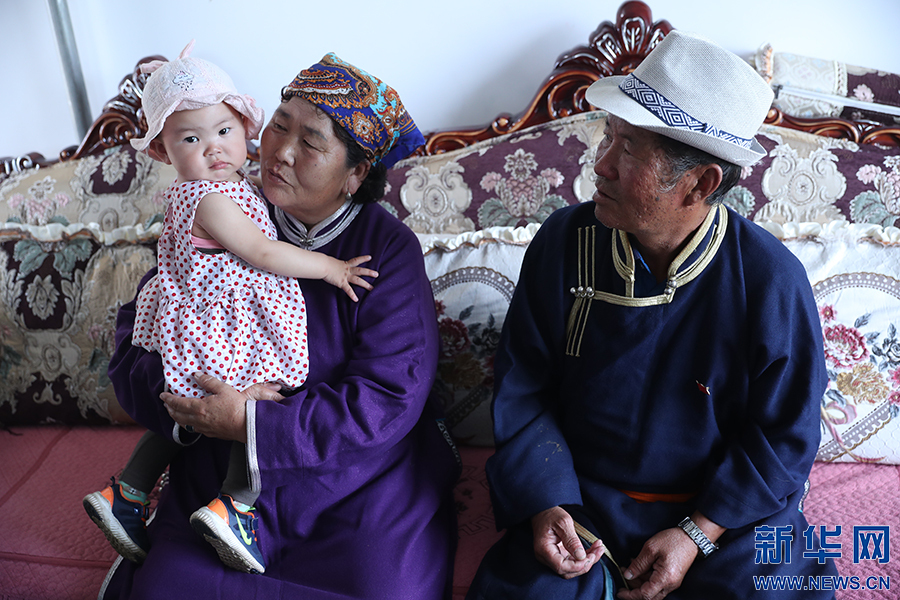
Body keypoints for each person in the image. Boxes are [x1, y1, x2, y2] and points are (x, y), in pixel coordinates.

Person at [466, 31, 839, 600]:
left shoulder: (770, 280)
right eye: (609, 136)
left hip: (721, 518)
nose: (602, 165)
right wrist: (546, 503)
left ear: (701, 183)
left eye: (631, 150)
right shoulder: (564, 243)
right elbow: (524, 389)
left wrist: (698, 533)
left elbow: (784, 437)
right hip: (584, 501)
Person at [100, 52, 460, 599]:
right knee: (168, 590)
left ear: (355, 173)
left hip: (355, 485)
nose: (280, 153)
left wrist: (252, 422)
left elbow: (389, 395)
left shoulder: (384, 249)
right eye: (277, 127)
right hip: (220, 482)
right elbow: (141, 340)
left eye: (311, 143)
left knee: (386, 588)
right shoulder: (223, 207)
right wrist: (194, 402)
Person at [83, 42, 378, 576]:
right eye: (191, 139)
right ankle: (236, 505)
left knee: (202, 411)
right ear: (162, 153)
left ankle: (127, 491)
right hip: (220, 328)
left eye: (224, 131)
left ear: (244, 127)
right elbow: (263, 253)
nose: (214, 148)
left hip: (202, 326)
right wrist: (331, 268)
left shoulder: (223, 188)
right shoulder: (212, 198)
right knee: (260, 403)